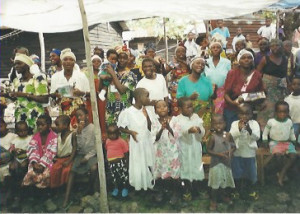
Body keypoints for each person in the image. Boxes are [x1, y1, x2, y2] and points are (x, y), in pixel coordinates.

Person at [117, 88, 157, 191]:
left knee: (148, 161)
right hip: (137, 142)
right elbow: (120, 127)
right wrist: (130, 132)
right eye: (147, 96)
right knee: (138, 163)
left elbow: (150, 127)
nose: (149, 98)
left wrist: (146, 116)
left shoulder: (147, 111)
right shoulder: (128, 112)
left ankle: (149, 184)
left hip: (147, 142)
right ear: (139, 98)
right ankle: (139, 185)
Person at [1, 53, 48, 134]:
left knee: (34, 143)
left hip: (35, 117)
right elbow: (16, 97)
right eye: (15, 64)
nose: (16, 66)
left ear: (27, 65)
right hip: (20, 117)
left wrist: (25, 95)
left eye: (19, 63)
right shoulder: (17, 81)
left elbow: (45, 99)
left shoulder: (38, 78)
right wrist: (5, 95)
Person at [63, 107, 98, 208]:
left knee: (94, 168)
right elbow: (80, 146)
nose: (79, 117)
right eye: (77, 116)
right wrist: (79, 133)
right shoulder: (77, 129)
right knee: (72, 171)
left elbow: (96, 147)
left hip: (91, 154)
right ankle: (67, 197)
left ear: (87, 116)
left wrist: (87, 158)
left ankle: (90, 188)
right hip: (80, 154)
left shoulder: (93, 128)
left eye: (81, 115)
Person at [224, 49, 264, 131]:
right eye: (243, 58)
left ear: (252, 60)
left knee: (248, 134)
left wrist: (248, 97)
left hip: (248, 112)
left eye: (249, 58)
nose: (246, 60)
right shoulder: (232, 73)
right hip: (232, 110)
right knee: (233, 133)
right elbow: (226, 94)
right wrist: (234, 103)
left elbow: (261, 93)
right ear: (239, 60)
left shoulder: (256, 75)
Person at [50, 48, 90, 127]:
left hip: (78, 110)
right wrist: (56, 94)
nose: (68, 62)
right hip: (62, 108)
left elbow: (90, 93)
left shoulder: (81, 76)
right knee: (64, 130)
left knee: (78, 131)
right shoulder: (55, 77)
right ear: (62, 62)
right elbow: (52, 95)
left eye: (71, 60)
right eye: (65, 59)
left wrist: (81, 93)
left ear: (74, 62)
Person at [175, 97, 205, 201]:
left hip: (195, 147)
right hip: (184, 148)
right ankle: (186, 189)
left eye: (191, 106)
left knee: (196, 166)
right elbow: (179, 132)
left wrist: (199, 130)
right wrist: (188, 131)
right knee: (185, 167)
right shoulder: (177, 119)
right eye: (187, 107)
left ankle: (196, 188)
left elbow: (202, 129)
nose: (190, 109)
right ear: (180, 108)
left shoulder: (196, 117)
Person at [177, 57, 214, 138]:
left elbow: (211, 99)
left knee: (204, 136)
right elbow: (179, 100)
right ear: (192, 64)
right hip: (189, 114)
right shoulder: (183, 81)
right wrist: (190, 98)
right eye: (198, 63)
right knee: (191, 136)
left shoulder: (207, 81)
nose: (200, 65)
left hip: (205, 114)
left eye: (203, 64)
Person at [262, 101, 297, 186]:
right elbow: (265, 133)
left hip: (286, 143)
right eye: (280, 112)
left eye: (285, 112)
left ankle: (282, 173)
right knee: (278, 155)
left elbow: (292, 133)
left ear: (288, 112)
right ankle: (279, 173)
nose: (282, 114)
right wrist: (265, 141)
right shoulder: (271, 122)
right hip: (275, 142)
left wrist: (294, 141)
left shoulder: (289, 122)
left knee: (293, 156)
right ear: (276, 112)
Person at [152, 100, 181, 204]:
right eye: (158, 107)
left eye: (164, 106)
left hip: (173, 152)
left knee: (174, 172)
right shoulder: (155, 122)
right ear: (155, 111)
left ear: (168, 108)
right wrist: (161, 129)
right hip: (160, 152)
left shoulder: (175, 120)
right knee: (161, 171)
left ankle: (175, 192)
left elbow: (177, 134)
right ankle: (161, 191)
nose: (162, 108)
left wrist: (169, 128)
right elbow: (154, 138)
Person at [230, 104, 260, 200]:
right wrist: (239, 129)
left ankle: (251, 190)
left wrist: (249, 130)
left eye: (247, 114)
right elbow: (231, 136)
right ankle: (237, 190)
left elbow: (257, 137)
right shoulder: (234, 124)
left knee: (250, 172)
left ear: (251, 114)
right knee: (237, 171)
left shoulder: (254, 123)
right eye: (242, 114)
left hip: (249, 153)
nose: (244, 116)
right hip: (237, 152)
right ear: (238, 114)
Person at [257, 39, 288, 130]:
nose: (275, 47)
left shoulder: (284, 59)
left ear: (281, 47)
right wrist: (262, 86)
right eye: (273, 46)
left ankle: (278, 132)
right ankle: (263, 132)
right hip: (267, 90)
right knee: (266, 110)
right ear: (270, 47)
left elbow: (286, 74)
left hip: (280, 91)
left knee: (279, 110)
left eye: (277, 45)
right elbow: (257, 74)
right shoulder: (265, 59)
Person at [207, 114, 235, 211]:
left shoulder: (228, 135)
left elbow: (233, 146)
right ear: (212, 126)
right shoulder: (213, 137)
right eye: (215, 124)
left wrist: (230, 152)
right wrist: (219, 155)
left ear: (225, 123)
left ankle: (223, 196)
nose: (218, 126)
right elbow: (209, 150)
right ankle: (213, 200)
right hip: (216, 164)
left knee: (224, 182)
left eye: (220, 123)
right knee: (215, 184)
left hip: (226, 164)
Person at [101, 49, 137, 126]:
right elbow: (101, 88)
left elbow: (122, 90)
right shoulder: (110, 71)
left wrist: (113, 74)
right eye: (120, 58)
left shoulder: (131, 75)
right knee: (111, 135)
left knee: (124, 135)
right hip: (110, 111)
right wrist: (102, 77)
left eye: (124, 58)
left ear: (128, 60)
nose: (122, 60)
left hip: (125, 111)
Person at [22, 115, 57, 188]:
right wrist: (34, 163)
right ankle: (28, 192)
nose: (40, 127)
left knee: (44, 175)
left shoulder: (54, 137)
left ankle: (42, 193)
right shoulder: (35, 136)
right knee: (31, 173)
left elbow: (51, 153)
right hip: (36, 161)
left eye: (42, 125)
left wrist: (42, 164)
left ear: (49, 125)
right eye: (38, 125)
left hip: (48, 161)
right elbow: (32, 149)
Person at [50, 115, 76, 188]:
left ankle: (65, 188)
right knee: (54, 170)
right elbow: (54, 147)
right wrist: (54, 157)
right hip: (59, 159)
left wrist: (70, 160)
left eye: (58, 125)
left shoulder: (72, 135)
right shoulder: (58, 135)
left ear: (65, 125)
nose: (56, 127)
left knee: (66, 171)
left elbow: (74, 149)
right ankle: (56, 190)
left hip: (68, 158)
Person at [205, 41, 231, 114]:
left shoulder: (227, 62)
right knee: (209, 112)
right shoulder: (206, 62)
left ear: (221, 50)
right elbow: (203, 77)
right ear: (210, 50)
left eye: (218, 47)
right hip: (209, 92)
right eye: (213, 47)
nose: (215, 49)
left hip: (222, 93)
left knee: (220, 114)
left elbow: (230, 77)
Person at [105, 124, 129, 198]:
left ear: (118, 133)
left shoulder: (121, 141)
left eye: (114, 134)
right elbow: (107, 149)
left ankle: (125, 188)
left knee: (123, 176)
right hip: (111, 163)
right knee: (114, 177)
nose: (112, 136)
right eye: (110, 134)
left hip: (120, 162)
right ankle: (116, 188)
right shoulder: (107, 141)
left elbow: (126, 152)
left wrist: (126, 163)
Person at [165, 46, 189, 115]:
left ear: (185, 52)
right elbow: (164, 72)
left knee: (186, 106)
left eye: (183, 51)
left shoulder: (189, 62)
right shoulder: (172, 63)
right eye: (178, 52)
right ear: (175, 54)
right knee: (176, 106)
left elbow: (190, 68)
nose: (180, 53)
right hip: (176, 89)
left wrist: (180, 61)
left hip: (187, 87)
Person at [0, 118, 16, 205]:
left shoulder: (12, 136)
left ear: (5, 125)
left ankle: (10, 195)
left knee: (7, 173)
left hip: (9, 161)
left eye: (0, 126)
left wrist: (13, 161)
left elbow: (15, 150)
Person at [284, 77, 300, 142]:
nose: (296, 86)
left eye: (299, 84)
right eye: (294, 84)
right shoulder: (287, 99)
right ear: (290, 85)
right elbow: (286, 114)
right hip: (293, 124)